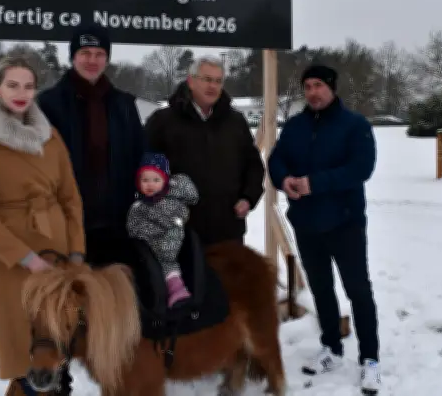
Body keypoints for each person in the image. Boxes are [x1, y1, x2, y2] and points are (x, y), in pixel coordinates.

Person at [0, 56, 85, 395]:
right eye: (12, 84)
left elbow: (71, 200)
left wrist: (75, 254)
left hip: (56, 254)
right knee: (22, 348)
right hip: (11, 258)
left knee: (57, 339)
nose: (21, 92)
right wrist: (28, 259)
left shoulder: (50, 136)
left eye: (28, 86)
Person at [267, 64, 381, 394]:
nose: (313, 92)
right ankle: (331, 347)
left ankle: (370, 359)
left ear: (331, 88)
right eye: (308, 87)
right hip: (307, 224)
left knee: (358, 290)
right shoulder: (295, 126)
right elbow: (277, 159)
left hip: (345, 224)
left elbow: (362, 168)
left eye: (319, 85)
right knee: (321, 289)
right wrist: (283, 179)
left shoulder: (354, 125)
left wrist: (314, 183)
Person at [37, 22, 146, 268]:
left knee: (117, 297)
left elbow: (141, 155)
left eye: (99, 54)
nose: (92, 60)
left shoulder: (123, 105)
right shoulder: (49, 105)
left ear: (107, 59)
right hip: (69, 224)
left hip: (117, 224)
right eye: (85, 53)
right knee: (76, 302)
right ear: (73, 56)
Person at [144, 55, 265, 247]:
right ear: (191, 81)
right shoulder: (163, 122)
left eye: (218, 81)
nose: (213, 86)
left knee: (226, 278)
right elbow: (146, 168)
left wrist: (248, 197)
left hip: (227, 228)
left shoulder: (235, 122)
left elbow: (253, 165)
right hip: (179, 230)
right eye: (207, 79)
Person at [126, 153, 199, 307]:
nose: (150, 184)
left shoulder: (172, 203)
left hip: (167, 248)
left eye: (156, 180)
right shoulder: (138, 207)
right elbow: (133, 228)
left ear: (165, 181)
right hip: (147, 250)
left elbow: (177, 221)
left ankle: (177, 289)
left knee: (168, 265)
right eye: (145, 180)